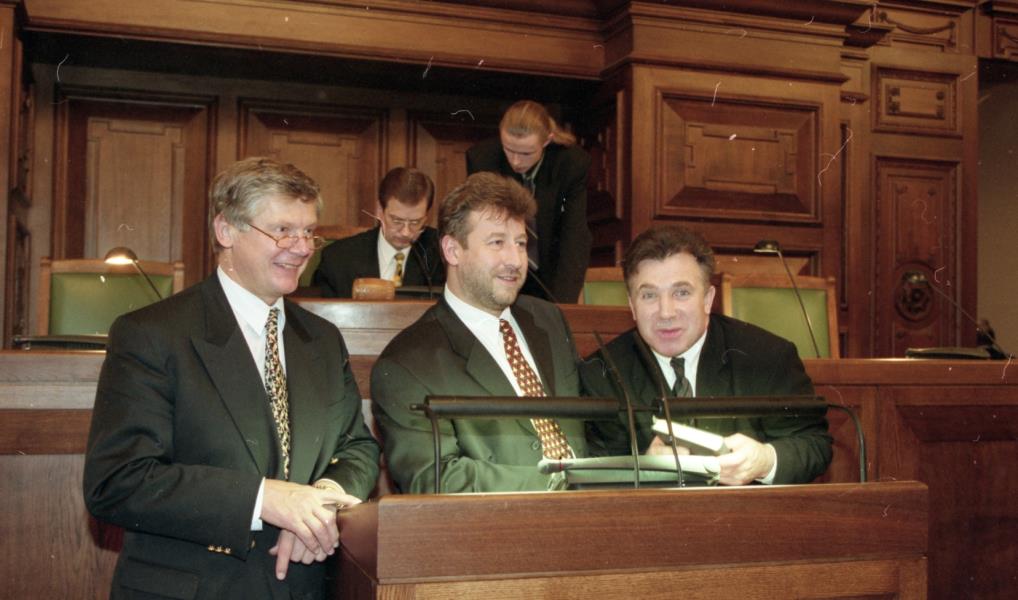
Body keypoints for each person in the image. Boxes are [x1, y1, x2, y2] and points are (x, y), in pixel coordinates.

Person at [83, 157, 380, 599]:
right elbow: (117, 481)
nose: (301, 248)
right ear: (225, 230)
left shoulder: (322, 339)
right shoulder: (152, 334)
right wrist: (265, 499)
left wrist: (318, 508)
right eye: (282, 230)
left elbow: (357, 447)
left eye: (308, 232)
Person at [371, 172, 588, 493]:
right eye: (497, 242)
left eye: (520, 243)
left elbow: (591, 427)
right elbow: (436, 478)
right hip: (497, 521)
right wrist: (561, 480)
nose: (515, 260)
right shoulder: (407, 363)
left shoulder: (548, 319)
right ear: (452, 250)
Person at [582, 225, 832, 485]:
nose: (666, 312)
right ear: (632, 305)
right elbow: (590, 474)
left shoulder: (766, 357)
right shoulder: (601, 373)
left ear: (708, 299)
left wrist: (765, 460)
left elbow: (814, 444)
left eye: (681, 293)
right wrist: (645, 467)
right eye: (649, 295)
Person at [466, 100, 591, 303]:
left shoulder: (571, 163)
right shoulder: (482, 159)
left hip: (550, 273)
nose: (515, 161)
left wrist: (563, 304)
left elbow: (574, 235)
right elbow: (481, 229)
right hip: (500, 267)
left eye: (526, 153)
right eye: (508, 149)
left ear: (547, 141)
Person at [313, 166, 445, 297]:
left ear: (426, 217)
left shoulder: (443, 255)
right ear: (379, 211)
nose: (405, 232)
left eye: (415, 222)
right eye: (397, 221)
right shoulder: (338, 259)